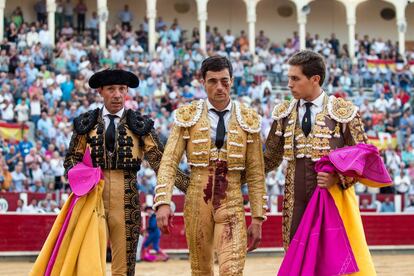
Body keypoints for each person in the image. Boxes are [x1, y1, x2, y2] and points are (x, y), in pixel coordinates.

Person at [64, 69, 188, 276]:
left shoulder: (140, 125)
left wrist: (191, 186)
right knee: (87, 265)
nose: (117, 94)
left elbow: (162, 163)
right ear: (101, 91)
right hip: (92, 199)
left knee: (124, 268)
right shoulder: (86, 123)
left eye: (122, 89)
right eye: (111, 89)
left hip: (127, 199)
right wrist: (83, 181)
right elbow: (71, 159)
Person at [264, 50, 376, 274]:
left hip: (332, 199)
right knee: (298, 260)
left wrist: (338, 176)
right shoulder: (284, 114)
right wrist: (233, 170)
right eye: (289, 78)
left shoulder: (342, 113)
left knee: (331, 260)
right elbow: (269, 159)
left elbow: (365, 157)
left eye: (295, 79)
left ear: (315, 79)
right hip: (295, 202)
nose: (289, 84)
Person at [154, 56, 267, 275]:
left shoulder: (249, 119)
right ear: (203, 82)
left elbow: (255, 173)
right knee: (201, 270)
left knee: (232, 270)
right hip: (197, 199)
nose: (219, 87)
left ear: (232, 81)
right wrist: (163, 201)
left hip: (232, 198)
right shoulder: (187, 116)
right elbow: (168, 162)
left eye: (224, 81)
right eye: (213, 81)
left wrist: (258, 217)